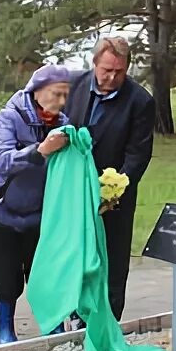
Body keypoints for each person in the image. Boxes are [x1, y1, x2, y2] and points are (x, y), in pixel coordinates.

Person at [0, 65, 70, 343]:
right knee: (5, 272)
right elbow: (1, 158)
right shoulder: (11, 116)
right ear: (37, 91)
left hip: (36, 209)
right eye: (55, 94)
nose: (60, 102)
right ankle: (6, 328)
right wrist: (39, 150)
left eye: (64, 96)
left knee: (42, 268)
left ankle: (52, 323)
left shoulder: (63, 124)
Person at [65, 36, 154, 321]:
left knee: (112, 259)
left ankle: (109, 320)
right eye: (106, 70)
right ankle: (77, 312)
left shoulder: (140, 101)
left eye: (119, 71)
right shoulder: (75, 86)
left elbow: (138, 155)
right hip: (75, 190)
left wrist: (114, 192)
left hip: (114, 198)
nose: (112, 76)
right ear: (94, 63)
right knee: (77, 253)